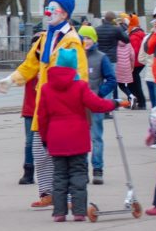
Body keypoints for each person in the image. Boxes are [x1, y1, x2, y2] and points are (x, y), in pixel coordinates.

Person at [0, 0, 88, 209]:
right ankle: (48, 193)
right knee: (39, 150)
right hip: (43, 104)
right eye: (47, 10)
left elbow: (80, 74)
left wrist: (77, 101)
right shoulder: (45, 38)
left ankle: (67, 198)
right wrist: (11, 79)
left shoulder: (72, 40)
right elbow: (30, 64)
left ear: (64, 14)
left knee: (62, 153)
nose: (48, 14)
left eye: (52, 10)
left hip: (63, 105)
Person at [37, 48, 120, 222]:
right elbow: (96, 105)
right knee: (78, 174)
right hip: (78, 137)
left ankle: (59, 213)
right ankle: (79, 212)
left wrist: (45, 139)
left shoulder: (46, 88)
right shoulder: (80, 86)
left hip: (56, 138)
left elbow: (42, 117)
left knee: (59, 176)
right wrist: (114, 103)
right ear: (74, 66)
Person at [78, 25, 115, 185]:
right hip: (78, 105)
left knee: (96, 137)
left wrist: (100, 94)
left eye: (88, 38)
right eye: (83, 38)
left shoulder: (101, 57)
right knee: (81, 138)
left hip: (94, 104)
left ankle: (98, 168)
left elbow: (111, 79)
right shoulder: (75, 56)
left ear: (94, 40)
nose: (85, 41)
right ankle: (83, 169)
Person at [128, 17, 147, 110]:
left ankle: (140, 102)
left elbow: (134, 51)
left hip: (135, 63)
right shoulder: (141, 33)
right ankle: (138, 101)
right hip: (140, 62)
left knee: (133, 82)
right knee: (133, 81)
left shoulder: (134, 36)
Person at [115, 38, 136, 104]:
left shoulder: (115, 43)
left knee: (114, 84)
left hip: (117, 66)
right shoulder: (129, 44)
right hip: (126, 66)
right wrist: (132, 67)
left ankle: (115, 102)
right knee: (122, 85)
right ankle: (131, 96)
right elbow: (132, 56)